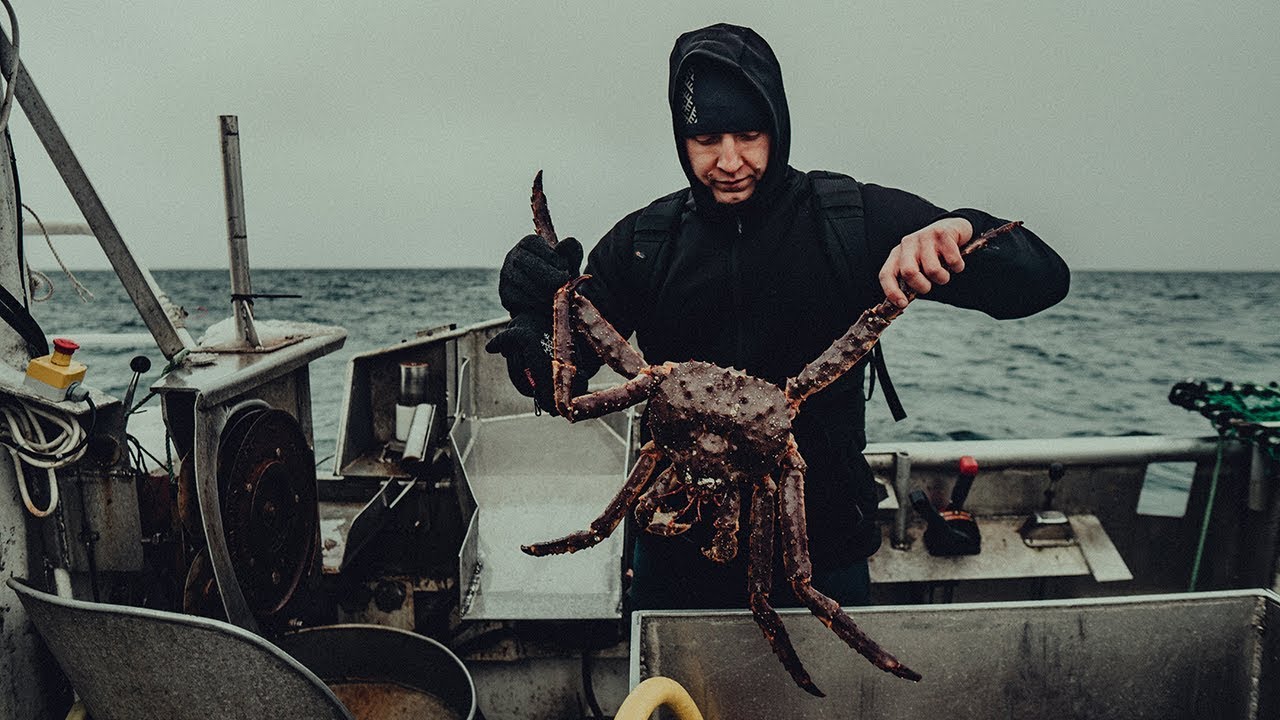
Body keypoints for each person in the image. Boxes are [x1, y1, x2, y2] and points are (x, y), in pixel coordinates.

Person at [486, 23, 1069, 611]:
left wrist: (963, 230)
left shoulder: (849, 220)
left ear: (777, 126)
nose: (730, 161)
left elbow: (1042, 283)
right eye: (706, 138)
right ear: (681, 140)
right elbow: (556, 383)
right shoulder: (644, 242)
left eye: (749, 134)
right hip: (672, 548)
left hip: (823, 551)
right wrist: (534, 320)